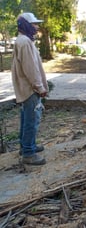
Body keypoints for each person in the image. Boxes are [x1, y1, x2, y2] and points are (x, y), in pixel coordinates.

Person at [11, 12, 48, 165]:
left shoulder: (22, 40)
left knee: (27, 118)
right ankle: (28, 153)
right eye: (34, 24)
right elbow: (30, 69)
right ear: (26, 25)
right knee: (32, 120)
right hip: (30, 89)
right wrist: (39, 87)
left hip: (26, 88)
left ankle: (26, 146)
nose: (37, 27)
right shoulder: (25, 42)